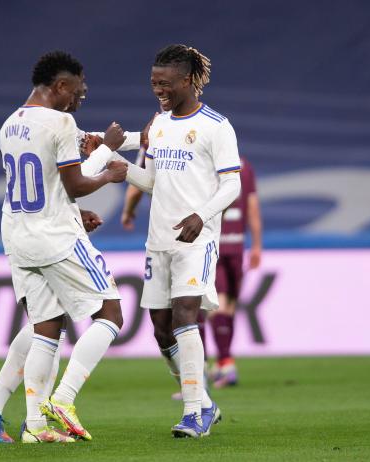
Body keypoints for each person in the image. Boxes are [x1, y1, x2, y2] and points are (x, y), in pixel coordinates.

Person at [0, 50, 129, 444]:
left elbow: (46, 184)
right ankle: (63, 399)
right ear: (60, 86)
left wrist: (77, 206)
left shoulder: (9, 124)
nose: (80, 98)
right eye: (78, 91)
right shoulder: (60, 121)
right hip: (53, 237)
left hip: (18, 234)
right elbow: (73, 184)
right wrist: (109, 168)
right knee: (110, 313)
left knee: (47, 328)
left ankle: (23, 423)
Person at [117, 44, 242, 438]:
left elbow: (233, 184)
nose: (159, 90)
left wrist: (201, 216)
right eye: (154, 83)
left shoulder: (216, 126)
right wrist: (121, 169)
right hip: (160, 239)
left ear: (188, 80)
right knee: (160, 327)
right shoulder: (158, 125)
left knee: (186, 311)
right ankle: (203, 400)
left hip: (197, 238)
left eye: (166, 83)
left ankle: (194, 413)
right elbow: (153, 182)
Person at [208, 156, 262, 388]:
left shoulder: (209, 164)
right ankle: (224, 364)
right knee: (229, 305)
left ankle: (225, 362)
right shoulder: (246, 166)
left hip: (216, 244)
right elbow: (252, 208)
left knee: (215, 305)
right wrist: (257, 245)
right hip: (238, 245)